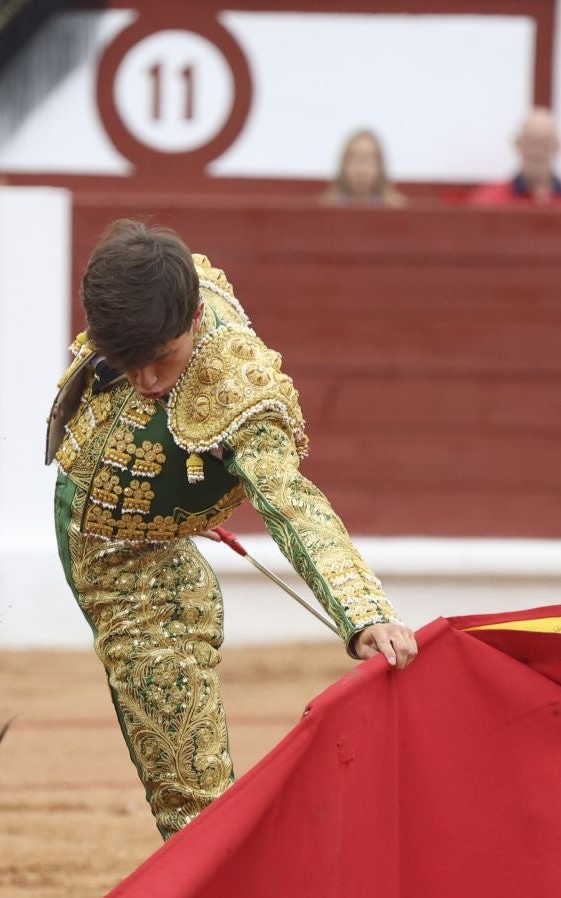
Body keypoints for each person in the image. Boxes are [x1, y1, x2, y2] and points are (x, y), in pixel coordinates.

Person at [44, 221, 418, 839]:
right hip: (115, 548)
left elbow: (292, 504)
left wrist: (365, 612)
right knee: (192, 787)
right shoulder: (154, 285)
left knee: (195, 803)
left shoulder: (238, 387)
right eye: (128, 363)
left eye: (161, 360)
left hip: (137, 564)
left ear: (194, 320)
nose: (147, 382)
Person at [458, 107, 561, 209]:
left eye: (544, 143)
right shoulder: (486, 203)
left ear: (558, 147)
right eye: (530, 142)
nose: (537, 152)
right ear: (517, 144)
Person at [321, 129, 405, 207]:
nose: (361, 170)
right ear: (344, 164)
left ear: (380, 165)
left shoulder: (397, 208)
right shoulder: (325, 207)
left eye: (369, 160)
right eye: (354, 159)